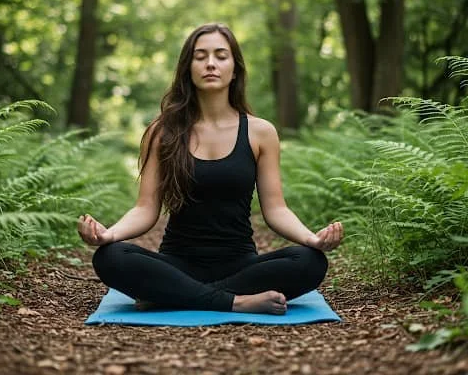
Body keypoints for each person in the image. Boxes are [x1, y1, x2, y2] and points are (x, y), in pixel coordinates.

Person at [78, 23, 343, 315]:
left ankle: (171, 296)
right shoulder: (162, 131)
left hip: (241, 264)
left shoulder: (260, 132)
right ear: (188, 67)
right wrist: (109, 235)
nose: (211, 64)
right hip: (177, 263)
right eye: (200, 56)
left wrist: (312, 239)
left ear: (235, 68)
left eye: (220, 55)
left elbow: (276, 209)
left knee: (311, 261)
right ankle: (234, 301)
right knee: (110, 257)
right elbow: (145, 209)